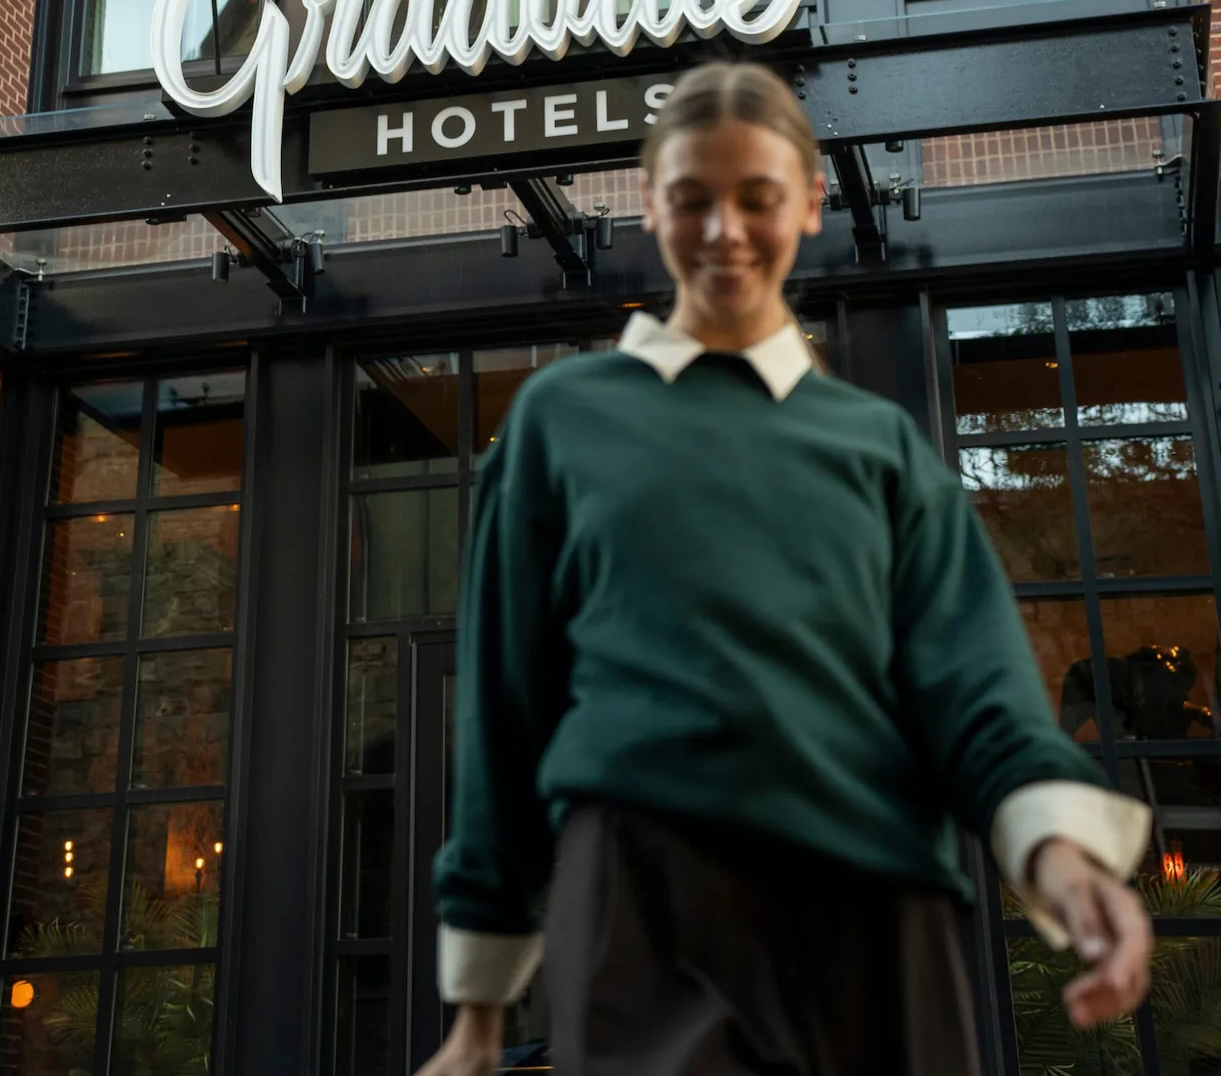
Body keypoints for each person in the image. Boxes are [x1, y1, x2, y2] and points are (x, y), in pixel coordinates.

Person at [421, 62, 1154, 1076]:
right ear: (649, 204)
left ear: (808, 203)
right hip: (644, 911)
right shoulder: (560, 422)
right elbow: (505, 713)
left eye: (755, 198)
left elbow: (977, 702)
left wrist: (1065, 866)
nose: (723, 229)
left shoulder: (882, 451)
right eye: (691, 199)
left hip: (878, 918)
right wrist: (477, 1013)